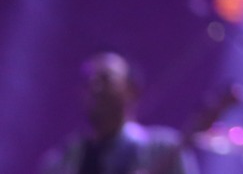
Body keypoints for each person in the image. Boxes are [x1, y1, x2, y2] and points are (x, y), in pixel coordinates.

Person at [39, 52, 196, 174]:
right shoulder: (65, 159)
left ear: (132, 90)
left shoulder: (163, 149)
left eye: (105, 79)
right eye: (88, 80)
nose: (94, 87)